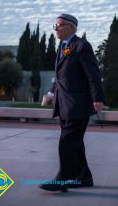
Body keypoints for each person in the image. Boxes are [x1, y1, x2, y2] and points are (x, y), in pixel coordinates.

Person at [39, 13, 105, 192]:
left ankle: (63, 180)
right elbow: (61, 74)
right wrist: (52, 91)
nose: (56, 28)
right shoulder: (63, 46)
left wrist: (98, 98)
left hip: (78, 104)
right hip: (64, 103)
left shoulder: (81, 46)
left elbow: (93, 75)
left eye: (59, 25)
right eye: (55, 25)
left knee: (67, 142)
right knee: (75, 143)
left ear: (71, 27)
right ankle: (84, 177)